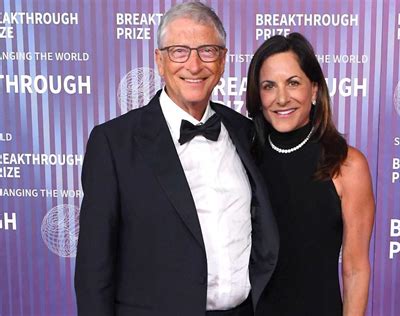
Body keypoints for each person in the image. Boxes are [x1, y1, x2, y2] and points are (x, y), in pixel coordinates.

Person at [74, 2, 278, 316]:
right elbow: (93, 269)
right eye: (179, 51)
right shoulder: (113, 143)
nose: (194, 65)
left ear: (222, 60)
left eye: (207, 51)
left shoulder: (245, 132)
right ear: (159, 60)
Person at [246, 33, 375, 316]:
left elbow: (355, 269)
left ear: (314, 89)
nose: (281, 98)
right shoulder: (243, 158)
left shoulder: (347, 165)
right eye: (269, 86)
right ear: (259, 95)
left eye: (293, 83)